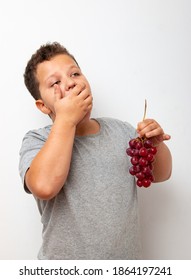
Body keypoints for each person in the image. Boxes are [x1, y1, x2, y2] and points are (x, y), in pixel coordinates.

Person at [19, 42, 172, 260]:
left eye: (75, 73)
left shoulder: (121, 131)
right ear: (43, 106)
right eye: (56, 82)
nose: (71, 83)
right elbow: (43, 186)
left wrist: (156, 145)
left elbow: (160, 174)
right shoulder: (37, 140)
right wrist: (66, 120)